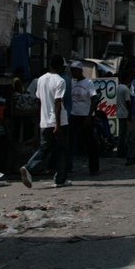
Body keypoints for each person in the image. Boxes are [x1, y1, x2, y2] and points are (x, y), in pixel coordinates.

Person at [20, 53, 70, 188]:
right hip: (59, 120)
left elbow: (40, 101)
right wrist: (58, 124)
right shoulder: (60, 81)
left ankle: (29, 167)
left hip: (44, 120)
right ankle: (61, 178)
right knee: (62, 150)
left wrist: (39, 120)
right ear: (59, 66)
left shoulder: (40, 80)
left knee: (44, 148)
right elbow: (58, 102)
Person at [68, 61, 100, 175]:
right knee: (70, 141)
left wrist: (89, 115)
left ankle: (94, 168)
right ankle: (68, 166)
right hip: (74, 115)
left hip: (85, 116)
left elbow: (94, 99)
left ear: (80, 71)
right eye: (71, 71)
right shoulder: (72, 83)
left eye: (74, 71)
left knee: (91, 143)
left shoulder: (88, 83)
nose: (72, 73)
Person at [114, 73, 132, 158]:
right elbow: (128, 101)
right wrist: (130, 113)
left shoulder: (118, 87)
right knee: (124, 134)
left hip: (119, 112)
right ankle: (122, 151)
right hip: (125, 113)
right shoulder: (125, 89)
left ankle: (120, 151)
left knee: (121, 133)